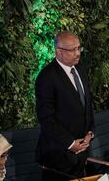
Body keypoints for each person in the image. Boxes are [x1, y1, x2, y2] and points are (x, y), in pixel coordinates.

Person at [35, 31, 94, 180]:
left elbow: (87, 105)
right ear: (58, 52)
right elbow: (46, 119)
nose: (78, 53)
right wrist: (70, 143)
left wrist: (90, 132)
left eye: (79, 48)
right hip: (58, 156)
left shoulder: (81, 68)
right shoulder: (46, 77)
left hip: (82, 153)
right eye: (72, 49)